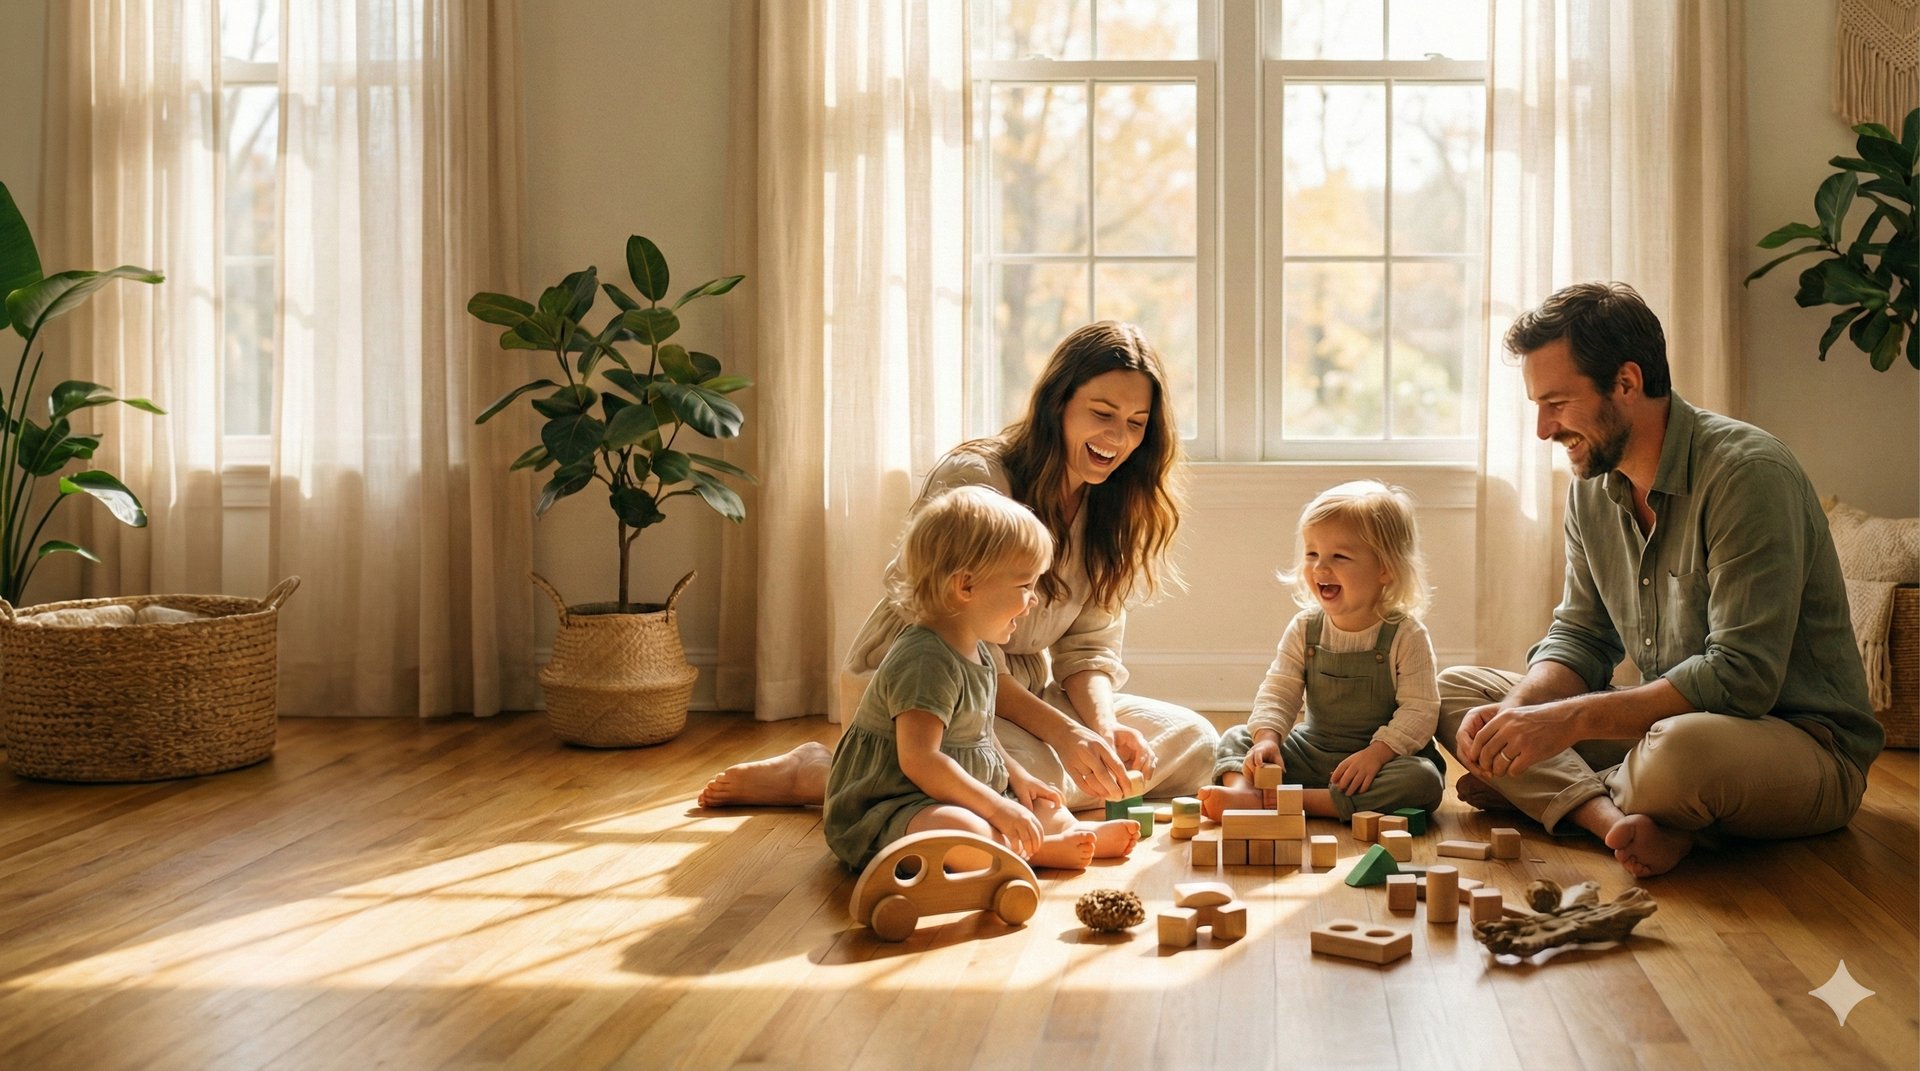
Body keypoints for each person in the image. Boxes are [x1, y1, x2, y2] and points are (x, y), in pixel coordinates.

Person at [1441, 281, 1883, 878]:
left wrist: (1565, 724)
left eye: (1557, 403)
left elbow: (1742, 677)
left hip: (1798, 744)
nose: (1543, 430)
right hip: (1657, 728)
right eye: (1536, 407)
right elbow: (1581, 638)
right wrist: (1515, 718)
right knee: (1457, 692)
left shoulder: (1748, 474)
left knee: (1677, 754)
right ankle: (1620, 818)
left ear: (1626, 382)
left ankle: (1562, 796)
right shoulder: (1591, 489)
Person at [699, 320, 1220, 811]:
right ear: (1058, 404)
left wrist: (1102, 731)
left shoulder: (1112, 504)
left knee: (1198, 743)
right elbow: (954, 639)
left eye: (1136, 424)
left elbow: (1087, 649)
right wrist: (1064, 732)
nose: (1118, 438)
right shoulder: (976, 478)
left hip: (1019, 696)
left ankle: (913, 782)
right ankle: (826, 772)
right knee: (1001, 775)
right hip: (931, 689)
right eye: (1102, 414)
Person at [822, 485, 1142, 871]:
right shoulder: (924, 659)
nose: (1034, 599)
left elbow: (978, 731)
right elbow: (920, 760)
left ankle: (1058, 834)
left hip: (953, 789)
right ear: (966, 586)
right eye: (1025, 585)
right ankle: (1036, 851)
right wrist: (995, 807)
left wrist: (1017, 777)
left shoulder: (977, 649)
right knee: (956, 828)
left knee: (1041, 802)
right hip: (894, 806)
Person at [1198, 481, 1444, 822]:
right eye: (1312, 554)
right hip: (1312, 752)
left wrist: (1377, 754)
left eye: (1339, 557)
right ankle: (1245, 793)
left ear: (1385, 568)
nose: (1319, 568)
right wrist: (1267, 739)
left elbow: (1420, 711)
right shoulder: (1305, 627)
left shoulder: (1407, 635)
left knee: (1423, 780)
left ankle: (1292, 802)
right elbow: (1279, 690)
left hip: (1379, 759)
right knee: (1236, 737)